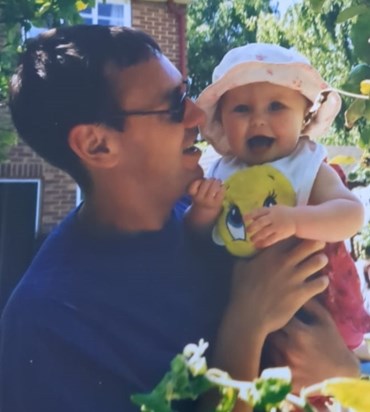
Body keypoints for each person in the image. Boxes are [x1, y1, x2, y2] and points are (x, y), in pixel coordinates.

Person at [0, 27, 360, 412]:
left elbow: (336, 368)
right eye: (173, 105)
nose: (198, 115)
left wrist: (343, 370)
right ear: (97, 144)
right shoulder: (49, 324)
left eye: (186, 93)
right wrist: (245, 326)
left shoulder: (210, 217)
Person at [186, 43, 368, 351]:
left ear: (304, 116)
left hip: (316, 301)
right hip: (245, 314)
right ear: (221, 121)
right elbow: (199, 240)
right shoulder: (220, 172)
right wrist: (202, 212)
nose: (258, 119)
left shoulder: (306, 163)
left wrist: (295, 220)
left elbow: (351, 215)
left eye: (276, 107)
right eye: (241, 109)